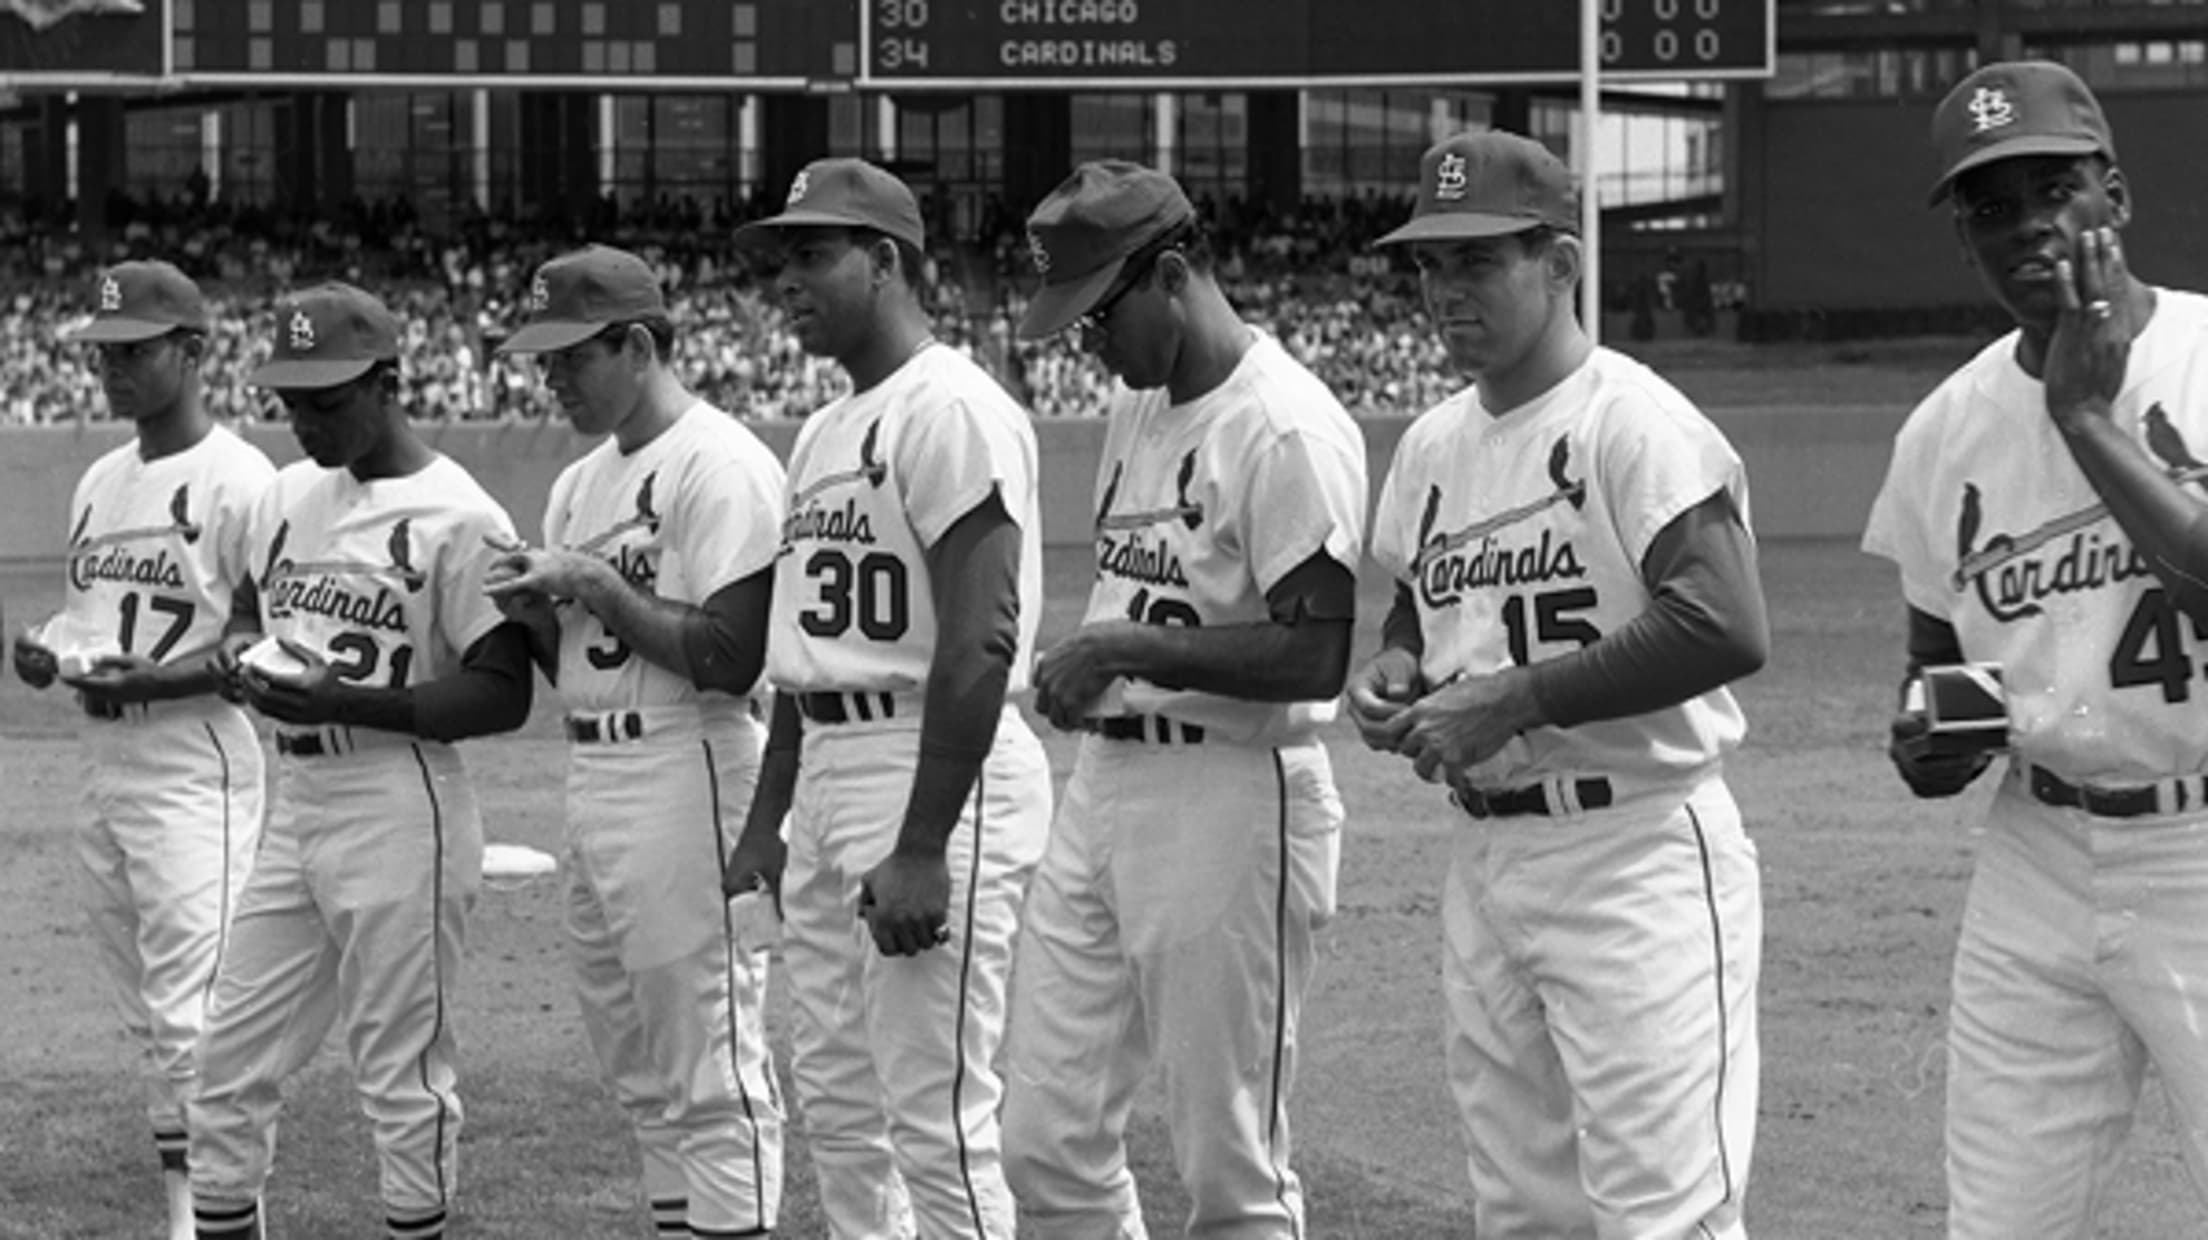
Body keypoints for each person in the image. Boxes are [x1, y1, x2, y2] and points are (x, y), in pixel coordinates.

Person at [1349, 130, 1768, 1238]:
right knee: (1525, 1210)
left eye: (1478, 261)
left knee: (1662, 1212)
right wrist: (1398, 665)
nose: (1445, 291)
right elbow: (1418, 604)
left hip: (1633, 853)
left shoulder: (1634, 421)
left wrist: (1515, 698)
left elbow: (1725, 622)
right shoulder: (1434, 445)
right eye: (1430, 265)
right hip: (1488, 859)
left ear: (1563, 265)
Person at [1863, 60, 2208, 1238]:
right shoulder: (1942, 431)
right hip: (2036, 856)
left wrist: (2086, 419)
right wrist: (1927, 735)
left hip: (2204, 844)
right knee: (2003, 1220)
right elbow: (1933, 653)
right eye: (1989, 207)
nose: (2028, 230)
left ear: (2114, 192)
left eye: (2053, 190)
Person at [997, 161, 1367, 1237]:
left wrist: (1119, 646)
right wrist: (1111, 664)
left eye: (1097, 314)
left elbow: (1317, 653)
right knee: (1045, 1137)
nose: (1087, 343)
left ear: (1170, 273)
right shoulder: (1138, 406)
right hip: (1111, 785)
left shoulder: (1284, 424)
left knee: (1228, 1162)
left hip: (1232, 793)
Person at [719, 156, 1052, 1240]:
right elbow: (797, 653)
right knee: (843, 1108)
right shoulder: (822, 431)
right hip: (826, 765)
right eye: (781, 261)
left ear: (888, 260)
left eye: (812, 254)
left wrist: (922, 842)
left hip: (928, 765)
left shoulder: (954, 407)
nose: (787, 281)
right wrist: (769, 823)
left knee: (937, 1115)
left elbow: (981, 638)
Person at [187, 283, 535, 1240]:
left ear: (389, 383)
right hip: (298, 798)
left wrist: (348, 703)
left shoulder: (463, 515)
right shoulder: (287, 494)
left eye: (325, 400)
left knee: (400, 1073)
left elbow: (504, 691)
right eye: (289, 402)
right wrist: (242, 651)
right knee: (223, 1067)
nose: (301, 422)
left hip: (401, 796)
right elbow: (258, 606)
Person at [485, 244, 787, 1239]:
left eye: (573, 355)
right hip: (597, 765)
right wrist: (525, 603)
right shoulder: (579, 483)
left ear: (642, 344)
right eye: (544, 359)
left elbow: (733, 657)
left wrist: (595, 582)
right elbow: (566, 653)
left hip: (687, 760)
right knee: (639, 1069)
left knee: (712, 1067)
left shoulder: (721, 462)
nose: (552, 377)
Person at [10, 260, 272, 1240]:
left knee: (196, 1011)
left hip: (192, 755)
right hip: (105, 762)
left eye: (135, 349)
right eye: (103, 351)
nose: (111, 368)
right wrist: (46, 648)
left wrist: (158, 682)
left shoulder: (243, 478)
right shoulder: (98, 477)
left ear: (193, 350)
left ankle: (220, 1219)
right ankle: (184, 1211)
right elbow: (96, 621)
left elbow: (265, 641)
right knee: (145, 1011)